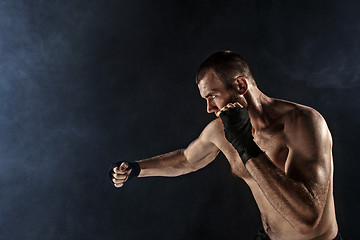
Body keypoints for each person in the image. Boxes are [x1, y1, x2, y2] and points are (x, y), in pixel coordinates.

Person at [110, 51, 341, 240]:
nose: (210, 108)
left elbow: (307, 220)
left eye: (213, 96)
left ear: (240, 85)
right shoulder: (221, 130)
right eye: (205, 99)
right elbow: (187, 159)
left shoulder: (302, 123)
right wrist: (137, 168)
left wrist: (245, 144)